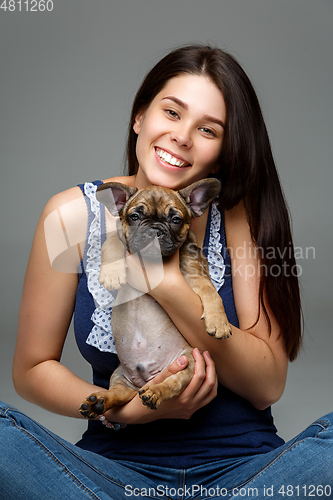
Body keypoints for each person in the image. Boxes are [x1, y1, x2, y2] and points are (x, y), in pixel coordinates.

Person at [0, 45, 332, 499]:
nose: (182, 137)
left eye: (208, 129)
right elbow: (32, 370)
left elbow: (267, 384)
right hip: (109, 475)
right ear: (140, 116)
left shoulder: (239, 216)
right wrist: (126, 413)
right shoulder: (70, 216)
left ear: (223, 151)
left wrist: (165, 280)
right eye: (171, 112)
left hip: (246, 474)